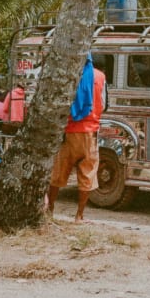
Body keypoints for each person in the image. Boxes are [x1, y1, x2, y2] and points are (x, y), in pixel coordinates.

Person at [47, 55, 105, 222]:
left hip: (68, 130)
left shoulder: (69, 74)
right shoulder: (100, 77)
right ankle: (79, 215)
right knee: (87, 174)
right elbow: (104, 103)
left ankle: (50, 208)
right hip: (90, 132)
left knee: (58, 172)